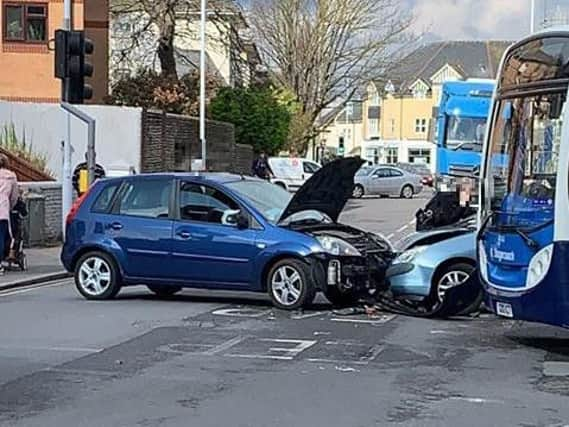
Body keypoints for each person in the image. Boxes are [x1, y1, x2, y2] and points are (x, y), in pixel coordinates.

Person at [0, 154, 18, 275]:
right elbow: (14, 197)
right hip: (2, 210)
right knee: (1, 237)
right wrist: (10, 207)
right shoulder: (11, 177)